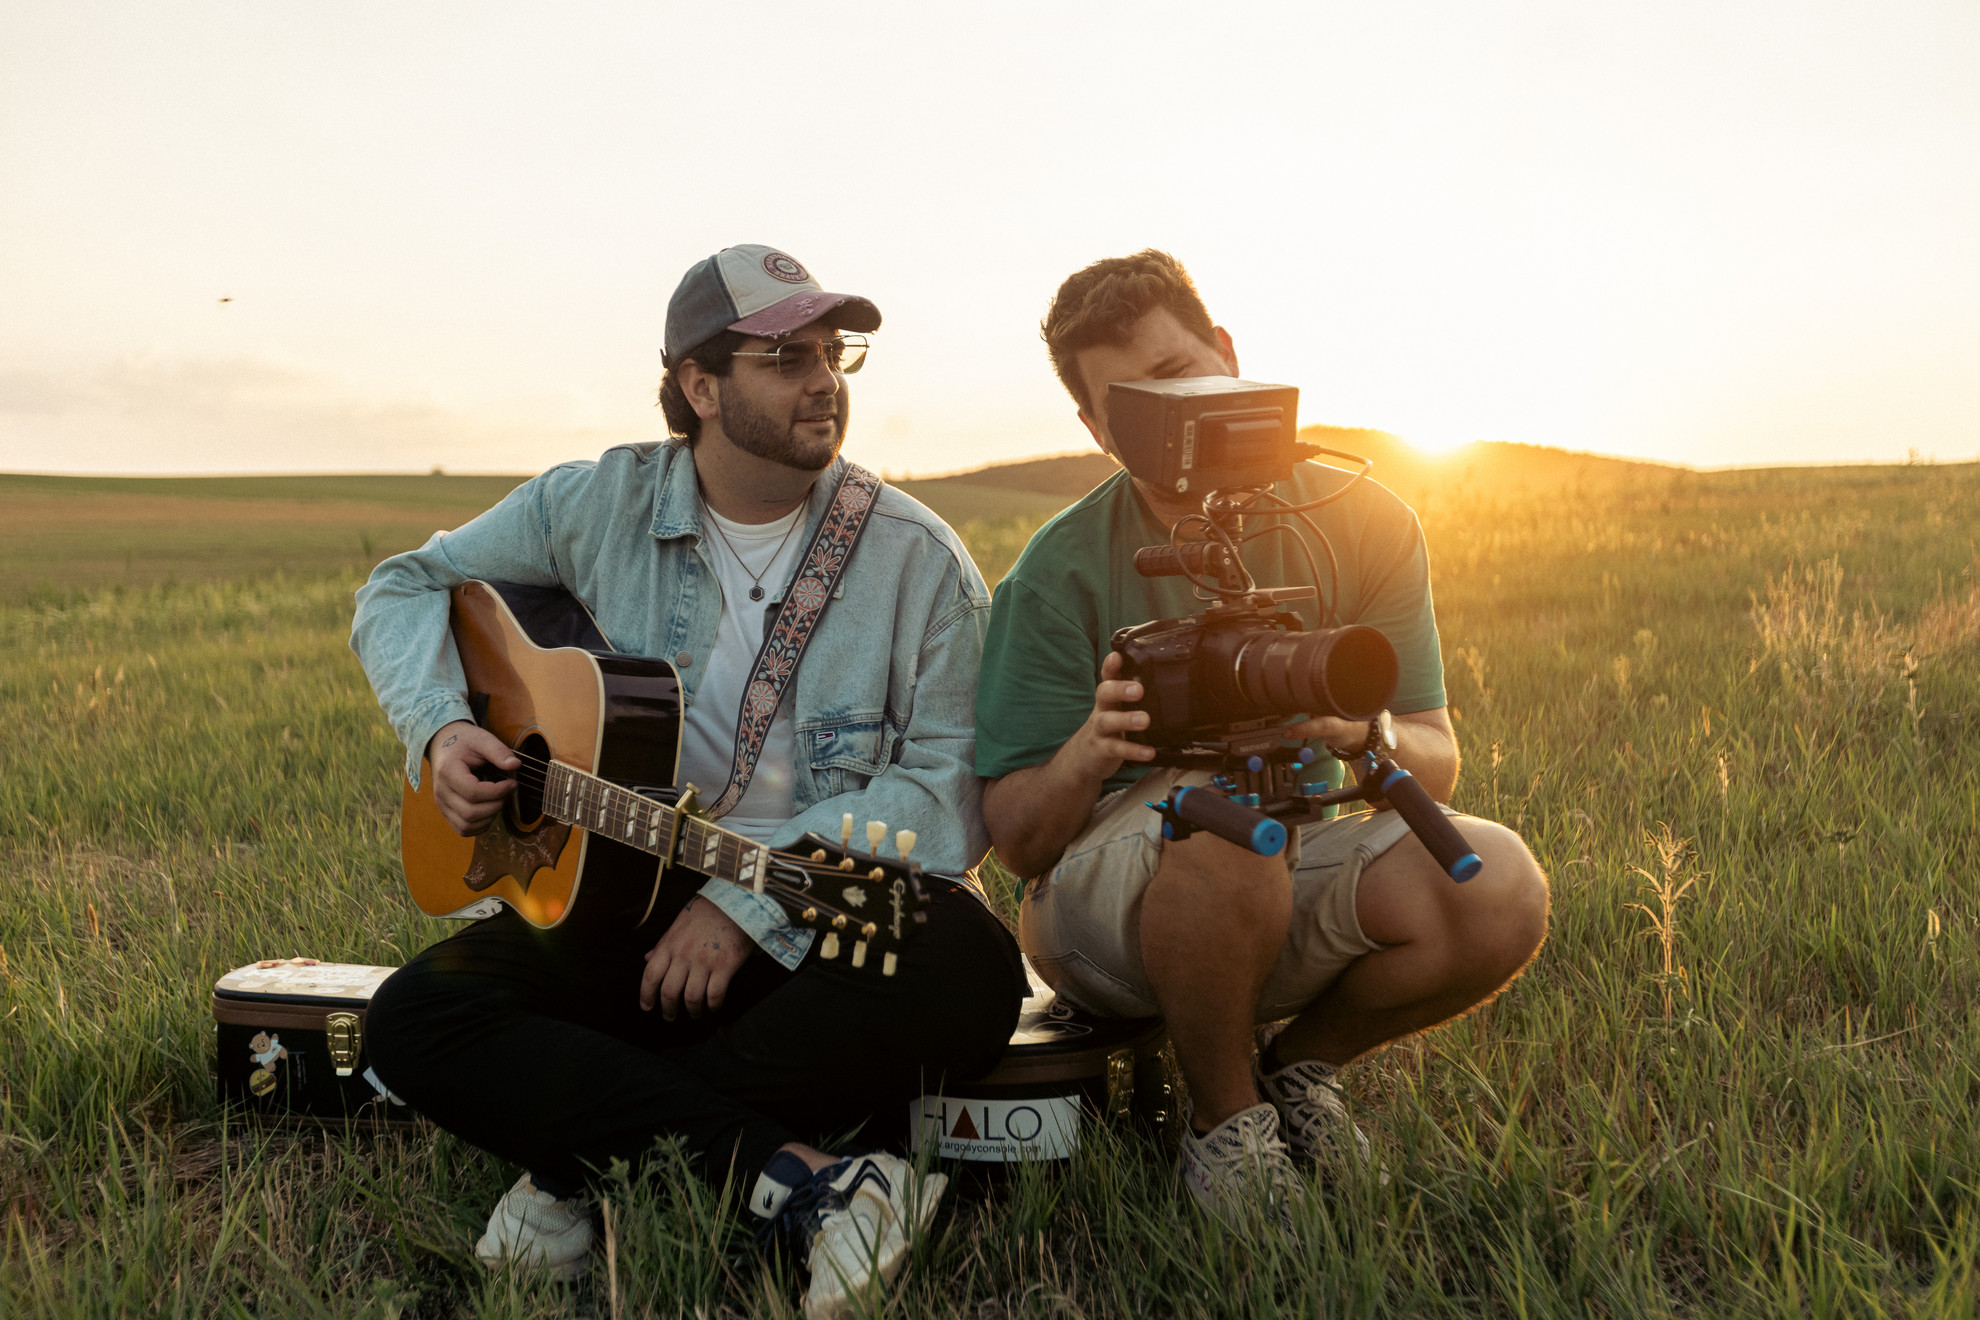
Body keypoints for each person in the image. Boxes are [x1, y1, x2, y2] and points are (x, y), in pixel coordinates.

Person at [351, 244, 1024, 1319]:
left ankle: (577, 1154)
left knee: (971, 966)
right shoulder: (596, 504)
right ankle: (817, 1181)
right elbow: (403, 585)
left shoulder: (917, 559)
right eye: (785, 356)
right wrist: (437, 730)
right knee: (413, 1020)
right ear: (700, 386)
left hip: (822, 912)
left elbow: (949, 792)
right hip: (621, 907)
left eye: (833, 353)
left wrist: (746, 899)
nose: (825, 381)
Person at [975, 249, 1549, 1229]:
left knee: (1496, 885)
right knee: (1234, 824)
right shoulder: (1060, 566)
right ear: (1093, 429)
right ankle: (1225, 1127)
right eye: (1132, 405)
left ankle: (1295, 1073)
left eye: (1179, 374)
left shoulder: (1359, 520)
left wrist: (1368, 733)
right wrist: (1094, 749)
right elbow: (1018, 843)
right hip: (1099, 910)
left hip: (1283, 853)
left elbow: (1434, 750)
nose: (1170, 418)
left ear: (1228, 353)